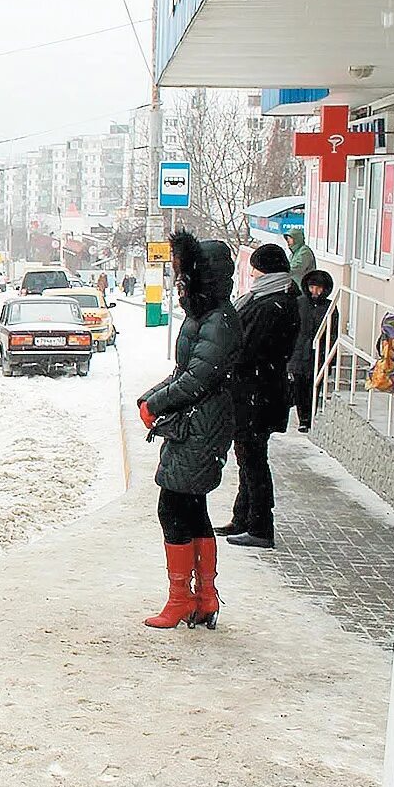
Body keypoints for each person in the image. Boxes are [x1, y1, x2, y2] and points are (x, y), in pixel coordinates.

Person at [137, 231, 241, 630]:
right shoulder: (208, 316)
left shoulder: (218, 321)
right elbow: (186, 372)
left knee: (175, 508)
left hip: (203, 424)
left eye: (185, 275)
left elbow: (198, 378)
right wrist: (152, 397)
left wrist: (156, 403)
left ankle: (182, 599)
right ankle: (203, 597)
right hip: (197, 423)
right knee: (192, 508)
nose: (179, 282)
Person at [217, 244, 300, 548]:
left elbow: (248, 350)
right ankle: (243, 518)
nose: (251, 273)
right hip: (259, 392)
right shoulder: (276, 299)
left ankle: (260, 527)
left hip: (258, 394)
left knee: (253, 461)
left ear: (264, 270)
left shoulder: (271, 305)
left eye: (254, 267)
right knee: (248, 458)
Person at [287, 269, 337, 432]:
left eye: (318, 288)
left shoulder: (330, 308)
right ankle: (303, 419)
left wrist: (331, 357)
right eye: (312, 287)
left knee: (313, 386)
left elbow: (333, 333)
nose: (315, 291)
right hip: (299, 351)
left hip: (319, 353)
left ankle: (311, 417)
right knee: (299, 386)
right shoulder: (299, 303)